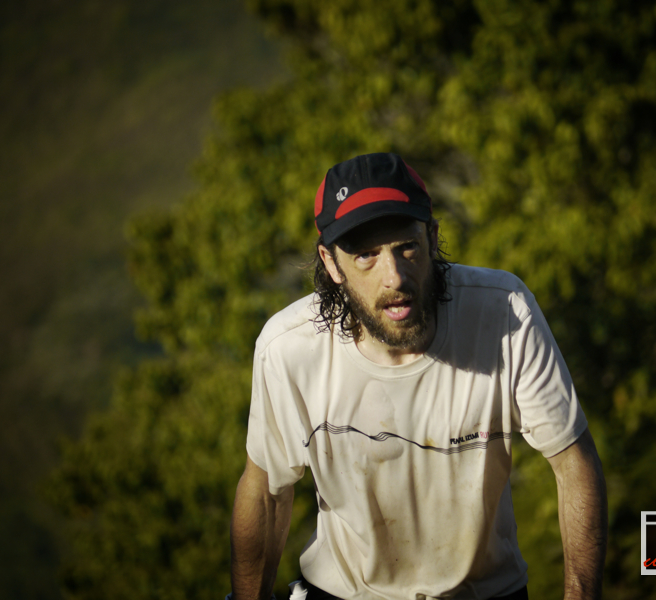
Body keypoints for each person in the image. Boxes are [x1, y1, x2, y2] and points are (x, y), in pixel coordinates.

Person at [230, 153, 607, 600]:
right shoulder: (289, 348)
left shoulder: (504, 312)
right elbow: (266, 491)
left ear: (432, 237)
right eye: (366, 255)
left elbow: (573, 461)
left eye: (406, 246)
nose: (394, 276)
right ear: (331, 263)